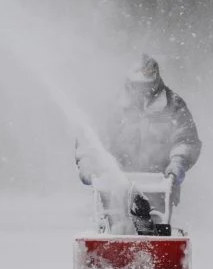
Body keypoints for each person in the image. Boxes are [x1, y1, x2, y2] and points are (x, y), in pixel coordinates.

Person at [75, 54, 202, 211]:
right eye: (138, 86)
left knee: (154, 227)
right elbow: (90, 139)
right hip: (114, 187)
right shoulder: (111, 107)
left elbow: (185, 139)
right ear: (129, 83)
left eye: (148, 86)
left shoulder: (173, 106)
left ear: (156, 82)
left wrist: (178, 163)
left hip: (159, 188)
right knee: (116, 226)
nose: (143, 91)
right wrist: (88, 163)